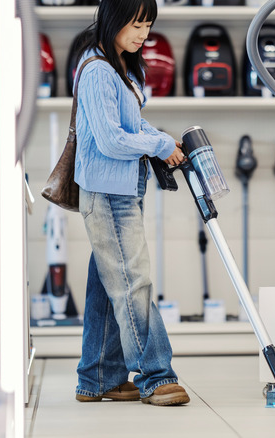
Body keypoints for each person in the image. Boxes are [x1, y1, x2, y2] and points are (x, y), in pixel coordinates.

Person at [70, 0, 190, 406]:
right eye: (136, 23)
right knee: (133, 283)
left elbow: (131, 127)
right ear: (114, 19)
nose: (142, 33)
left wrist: (162, 141)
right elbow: (111, 141)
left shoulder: (118, 68)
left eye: (148, 24)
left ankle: (98, 378)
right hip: (108, 195)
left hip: (120, 192)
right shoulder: (99, 71)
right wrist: (157, 143)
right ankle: (156, 375)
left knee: (109, 287)